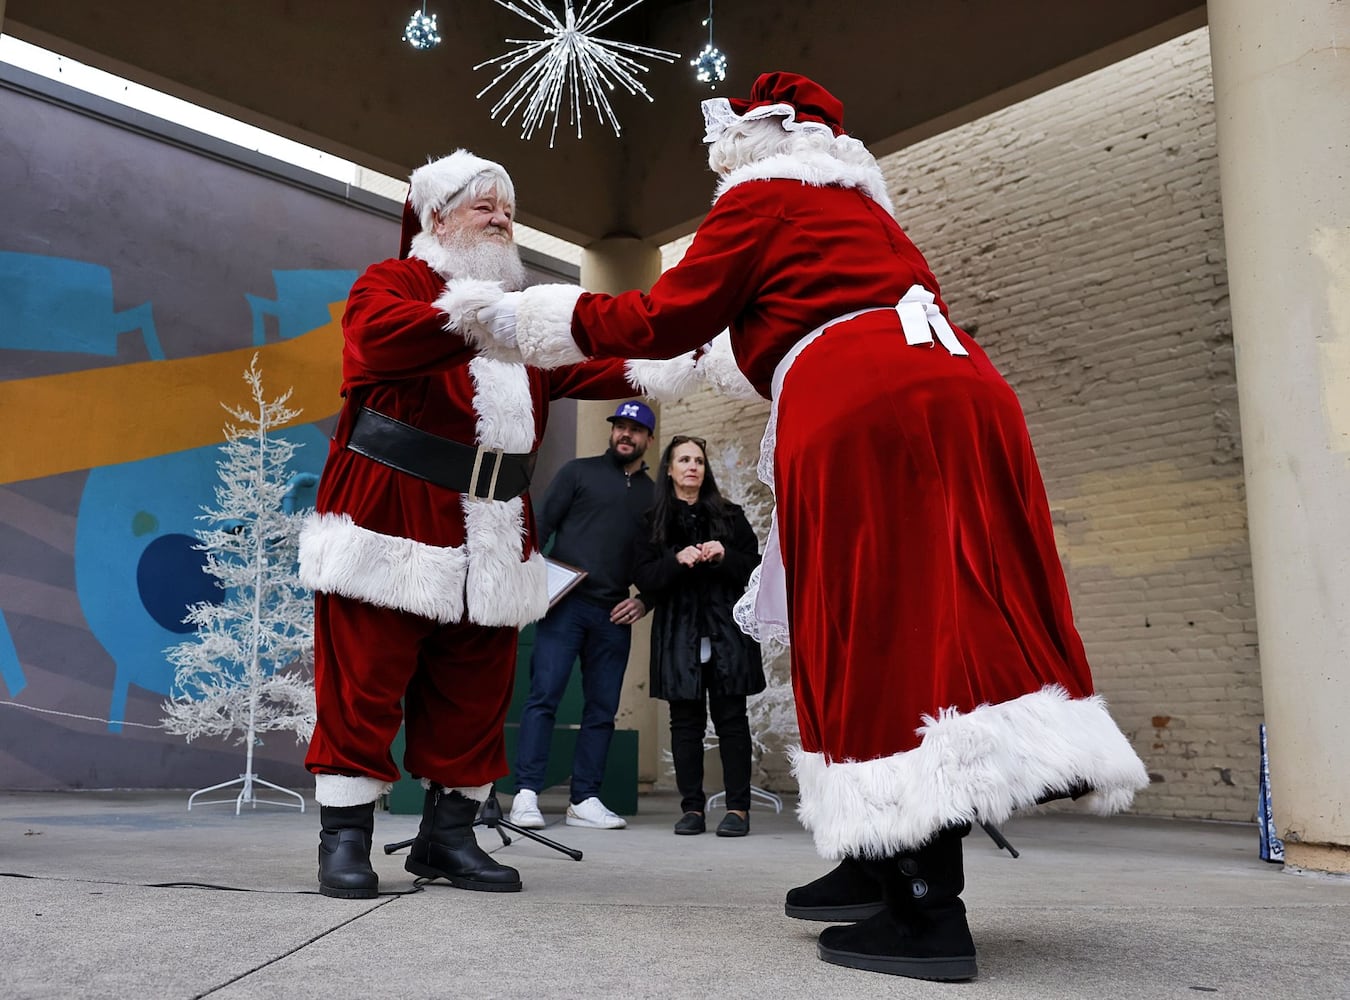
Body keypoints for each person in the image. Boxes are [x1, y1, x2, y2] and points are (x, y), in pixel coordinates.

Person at [448, 73, 1151, 981]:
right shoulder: (859, 215)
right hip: (960, 395)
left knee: (877, 630)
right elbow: (754, 343)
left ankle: (926, 910)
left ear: (759, 137)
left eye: (724, 139)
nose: (716, 158)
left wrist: (512, 320)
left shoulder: (761, 198)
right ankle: (872, 860)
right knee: (928, 611)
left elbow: (661, 317)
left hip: (866, 407)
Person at [297, 150, 645, 900]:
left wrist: (691, 352)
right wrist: (492, 316)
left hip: (493, 524)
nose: (502, 219)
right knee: (365, 681)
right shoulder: (394, 284)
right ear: (436, 216)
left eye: (508, 210)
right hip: (392, 511)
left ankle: (449, 837)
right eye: (484, 205)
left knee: (476, 688)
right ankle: (345, 840)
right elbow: (382, 341)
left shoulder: (519, 321)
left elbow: (598, 357)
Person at [507, 401, 656, 831]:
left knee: (601, 709)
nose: (625, 434)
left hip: (614, 614)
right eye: (619, 427)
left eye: (635, 429)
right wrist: (535, 581)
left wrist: (645, 600)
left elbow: (657, 561)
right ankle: (527, 794)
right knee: (544, 697)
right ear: (612, 433)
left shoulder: (653, 495)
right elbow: (539, 526)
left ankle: (585, 799)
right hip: (565, 606)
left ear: (646, 439)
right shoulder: (578, 472)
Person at [632, 434, 765, 838]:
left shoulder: (730, 515)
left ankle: (738, 809)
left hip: (727, 635)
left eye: (699, 461)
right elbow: (643, 577)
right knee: (685, 723)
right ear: (669, 469)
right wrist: (676, 560)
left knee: (732, 721)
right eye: (684, 460)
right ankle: (692, 808)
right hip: (678, 636)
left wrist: (724, 555)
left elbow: (754, 568)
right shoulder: (651, 521)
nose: (692, 466)